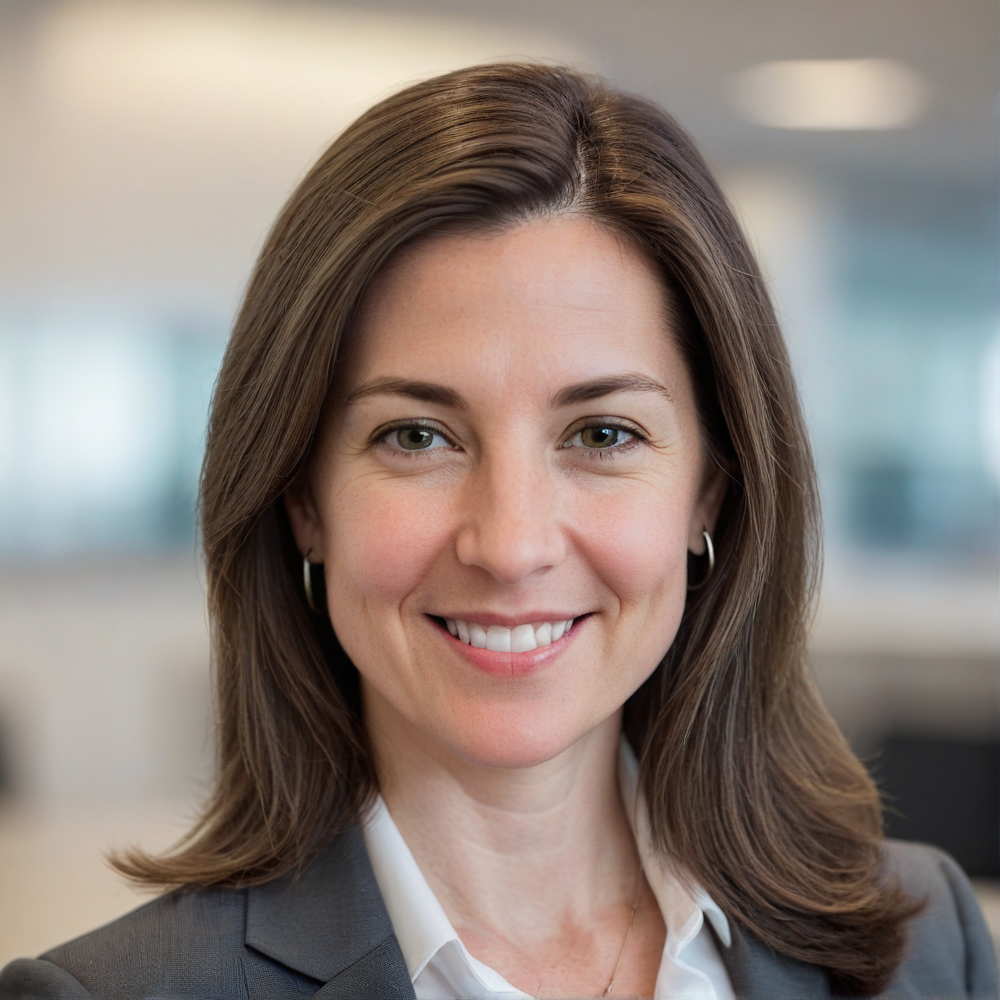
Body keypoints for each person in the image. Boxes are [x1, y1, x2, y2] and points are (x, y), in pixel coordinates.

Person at [1, 63, 995, 1000]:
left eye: (602, 433)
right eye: (417, 435)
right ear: (303, 500)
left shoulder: (922, 944)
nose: (511, 543)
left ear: (710, 493)